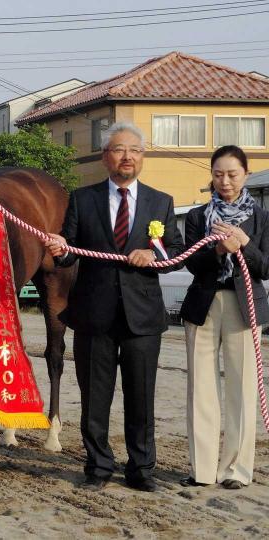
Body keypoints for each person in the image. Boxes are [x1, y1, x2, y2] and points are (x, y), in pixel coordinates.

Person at [45, 122, 184, 492]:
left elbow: (176, 254)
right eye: (120, 150)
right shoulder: (82, 199)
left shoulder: (161, 202)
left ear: (143, 157)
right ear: (106, 156)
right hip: (94, 315)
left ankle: (141, 469)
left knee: (141, 397)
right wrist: (59, 250)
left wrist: (152, 254)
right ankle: (98, 467)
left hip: (142, 316)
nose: (128, 157)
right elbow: (68, 252)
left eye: (135, 150)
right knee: (95, 397)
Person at [178, 145, 269, 490]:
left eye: (232, 174)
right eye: (218, 174)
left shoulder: (262, 218)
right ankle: (201, 469)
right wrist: (216, 249)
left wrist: (244, 242)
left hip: (244, 307)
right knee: (200, 387)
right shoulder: (199, 217)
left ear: (245, 174)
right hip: (202, 306)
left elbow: (266, 267)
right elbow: (192, 264)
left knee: (241, 389)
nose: (225, 181)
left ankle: (236, 469)